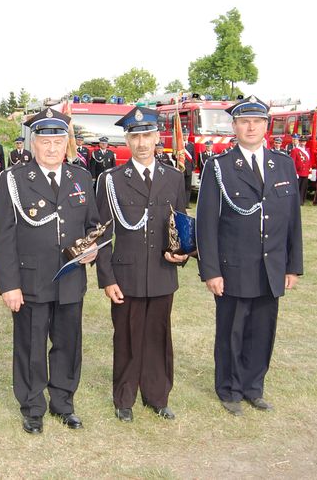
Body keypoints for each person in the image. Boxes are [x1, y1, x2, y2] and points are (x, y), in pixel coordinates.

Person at [0, 107, 100, 435]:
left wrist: (91, 248)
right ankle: (33, 405)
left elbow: (93, 224)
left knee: (68, 343)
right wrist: (9, 285)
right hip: (31, 279)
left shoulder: (80, 177)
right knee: (31, 344)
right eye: (45, 141)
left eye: (58, 141)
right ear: (33, 143)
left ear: (66, 143)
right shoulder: (14, 180)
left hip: (70, 278)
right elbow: (2, 237)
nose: (51, 148)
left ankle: (64, 402)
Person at [196, 95, 303, 416]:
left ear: (267, 127)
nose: (251, 127)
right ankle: (229, 389)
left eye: (257, 121)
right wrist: (211, 271)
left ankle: (254, 387)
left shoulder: (282, 164)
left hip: (271, 267)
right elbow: (206, 225)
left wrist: (292, 265)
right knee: (232, 332)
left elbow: (292, 220)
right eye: (244, 122)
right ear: (235, 127)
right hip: (233, 268)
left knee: (262, 331)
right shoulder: (220, 167)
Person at [95, 106, 187, 423]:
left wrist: (184, 253)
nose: (142, 143)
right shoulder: (111, 181)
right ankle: (124, 399)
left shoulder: (174, 178)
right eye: (135, 136)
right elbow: (102, 235)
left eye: (147, 135)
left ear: (157, 137)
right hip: (127, 274)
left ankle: (157, 396)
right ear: (127, 140)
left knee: (159, 337)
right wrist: (107, 279)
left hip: (162, 274)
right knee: (127, 338)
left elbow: (181, 225)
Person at [289, 134, 311, 206]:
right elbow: (292, 162)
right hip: (298, 172)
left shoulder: (307, 150)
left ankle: (302, 201)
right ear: (299, 141)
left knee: (304, 188)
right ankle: (296, 201)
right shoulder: (295, 150)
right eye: (301, 141)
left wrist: (310, 172)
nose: (302, 143)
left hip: (305, 172)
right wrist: (295, 173)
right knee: (297, 188)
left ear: (306, 142)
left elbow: (309, 161)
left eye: (304, 142)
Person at [180, 131, 195, 206]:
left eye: (186, 135)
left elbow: (193, 157)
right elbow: (174, 156)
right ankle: (181, 203)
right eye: (184, 135)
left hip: (189, 169)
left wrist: (193, 167)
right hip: (181, 168)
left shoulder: (191, 145)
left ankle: (187, 204)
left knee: (188, 187)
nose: (185, 136)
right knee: (181, 186)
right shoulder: (179, 144)